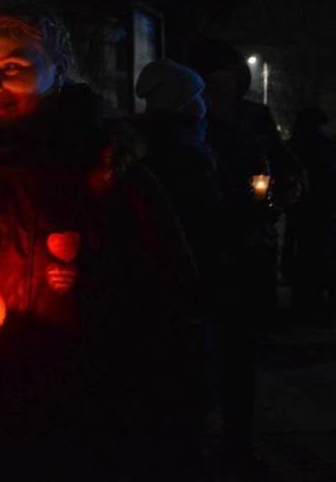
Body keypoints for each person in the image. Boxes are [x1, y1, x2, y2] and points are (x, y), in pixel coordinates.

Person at [0, 0, 202, 481]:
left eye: (13, 67)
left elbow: (171, 299)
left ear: (59, 69)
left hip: (83, 427)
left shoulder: (112, 176)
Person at [189, 37, 308, 479]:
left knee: (240, 358)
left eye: (227, 80)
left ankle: (238, 446)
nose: (217, 89)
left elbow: (287, 164)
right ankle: (190, 439)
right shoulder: (184, 117)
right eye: (208, 80)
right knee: (194, 357)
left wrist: (293, 184)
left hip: (246, 253)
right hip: (199, 253)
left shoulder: (255, 117)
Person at [130, 59, 237, 470]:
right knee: (182, 394)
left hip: (164, 293)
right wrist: (255, 212)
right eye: (198, 97)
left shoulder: (154, 146)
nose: (205, 104)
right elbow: (212, 225)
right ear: (185, 104)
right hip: (186, 288)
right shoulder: (186, 157)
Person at [285, 106, 336, 327]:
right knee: (319, 256)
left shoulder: (293, 146)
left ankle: (303, 306)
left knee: (303, 253)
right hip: (323, 209)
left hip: (300, 207)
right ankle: (314, 308)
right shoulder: (324, 147)